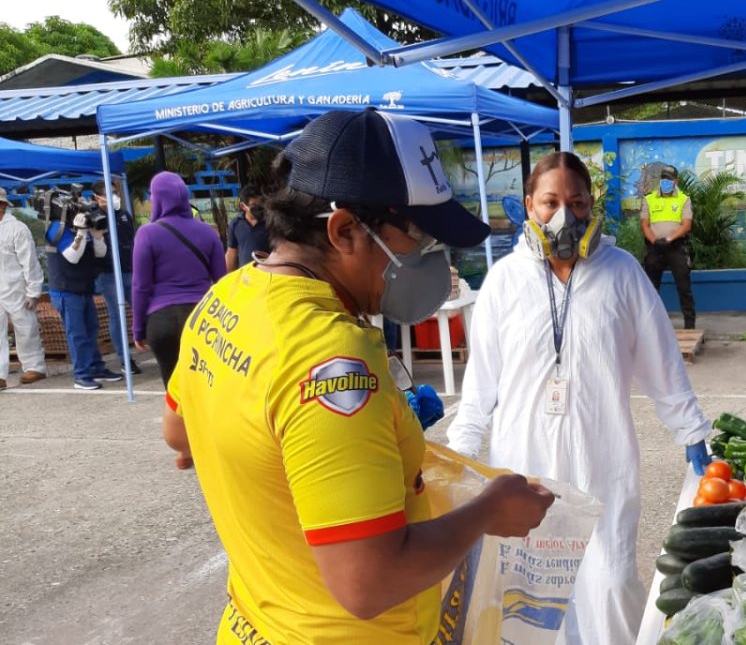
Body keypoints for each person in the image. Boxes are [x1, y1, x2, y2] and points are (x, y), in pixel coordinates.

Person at [160, 109, 554, 643]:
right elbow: (368, 582)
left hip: (251, 625)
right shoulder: (333, 363)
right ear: (344, 230)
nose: (434, 255)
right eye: (420, 236)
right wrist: (489, 510)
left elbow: (179, 434)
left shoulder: (226, 298)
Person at [447, 151, 712, 645]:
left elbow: (661, 361)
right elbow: (480, 383)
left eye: (577, 202)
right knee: (529, 593)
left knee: (608, 582)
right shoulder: (504, 281)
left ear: (592, 207)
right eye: (551, 202)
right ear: (529, 205)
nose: (564, 215)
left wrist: (692, 430)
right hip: (523, 464)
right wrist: (459, 454)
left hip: (601, 461)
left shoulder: (622, 273)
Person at [131, 172, 225, 388]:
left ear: (157, 199)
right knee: (205, 387)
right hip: (203, 319)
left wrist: (138, 329)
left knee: (174, 390)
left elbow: (140, 286)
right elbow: (222, 282)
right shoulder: (208, 233)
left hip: (162, 321)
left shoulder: (147, 234)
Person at [44, 189, 123, 390]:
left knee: (91, 330)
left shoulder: (80, 226)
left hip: (84, 287)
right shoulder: (57, 228)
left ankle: (96, 367)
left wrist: (97, 236)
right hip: (66, 290)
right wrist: (80, 233)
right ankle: (81, 374)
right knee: (78, 334)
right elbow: (72, 256)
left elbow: (100, 253)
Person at [92, 178, 141, 375]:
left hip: (130, 269)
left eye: (114, 193)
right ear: (97, 198)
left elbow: (132, 240)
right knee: (117, 314)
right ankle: (125, 358)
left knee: (141, 308)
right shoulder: (94, 217)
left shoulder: (123, 215)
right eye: (107, 194)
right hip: (108, 273)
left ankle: (149, 344)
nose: (113, 197)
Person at [0, 188, 48, 390]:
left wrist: (33, 291)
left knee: (25, 328)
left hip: (16, 287)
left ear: (2, 205)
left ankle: (34, 367)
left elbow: (29, 262)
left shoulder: (17, 229)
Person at [641, 164, 697, 329]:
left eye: (669, 179)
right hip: (655, 247)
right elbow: (644, 224)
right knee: (650, 288)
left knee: (684, 286)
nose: (666, 182)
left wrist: (669, 239)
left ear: (676, 181)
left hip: (675, 246)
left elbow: (686, 225)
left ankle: (689, 325)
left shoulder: (683, 199)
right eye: (663, 179)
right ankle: (650, 326)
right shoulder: (649, 199)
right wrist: (654, 241)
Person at [225, 185, 271, 272]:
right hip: (245, 275)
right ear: (243, 206)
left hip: (266, 273)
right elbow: (231, 252)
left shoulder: (270, 222)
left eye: (260, 204)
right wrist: (228, 276)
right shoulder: (235, 224)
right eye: (254, 205)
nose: (258, 208)